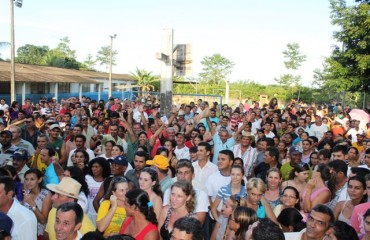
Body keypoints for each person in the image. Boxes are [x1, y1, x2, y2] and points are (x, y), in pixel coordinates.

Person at [23, 168, 52, 239]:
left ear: (39, 180)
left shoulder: (46, 194)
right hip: (26, 229)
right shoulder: (27, 192)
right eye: (26, 179)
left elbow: (43, 220)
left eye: (32, 179)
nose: (28, 182)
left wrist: (33, 204)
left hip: (39, 233)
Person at [85, 157, 111, 226]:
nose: (94, 169)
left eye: (97, 167)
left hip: (101, 212)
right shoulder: (87, 178)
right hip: (88, 212)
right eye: (92, 167)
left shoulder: (108, 181)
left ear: (103, 168)